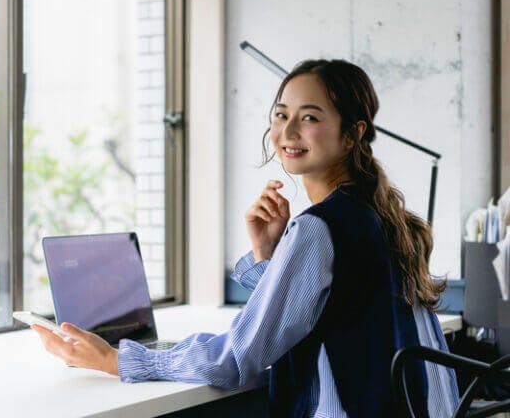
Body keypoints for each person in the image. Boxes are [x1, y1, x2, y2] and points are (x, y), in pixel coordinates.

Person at [31, 59, 459, 417]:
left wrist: (115, 359)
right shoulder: (380, 216)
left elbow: (236, 358)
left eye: (309, 117)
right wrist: (267, 254)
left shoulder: (319, 227)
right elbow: (322, 311)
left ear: (353, 133)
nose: (288, 131)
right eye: (280, 113)